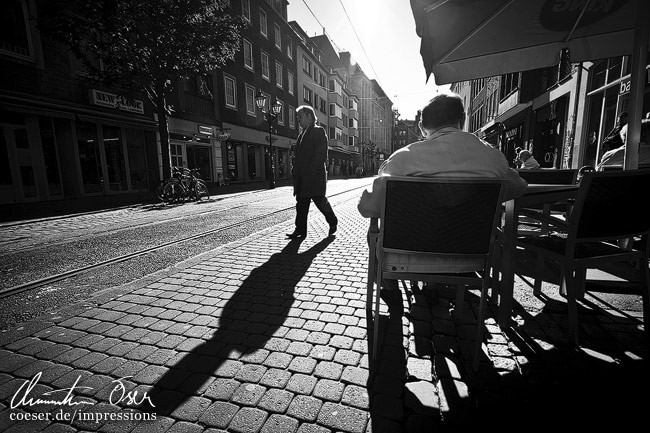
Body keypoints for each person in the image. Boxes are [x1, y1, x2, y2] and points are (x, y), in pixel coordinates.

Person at [358, 93, 527, 219]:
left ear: (421, 127)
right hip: (471, 257)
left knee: (374, 229)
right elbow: (519, 187)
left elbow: (370, 208)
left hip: (404, 259)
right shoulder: (493, 157)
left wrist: (364, 197)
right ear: (463, 119)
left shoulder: (401, 159)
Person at [286, 105, 338, 239]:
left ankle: (332, 221)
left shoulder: (318, 131)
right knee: (301, 206)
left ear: (309, 116)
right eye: (297, 117)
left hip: (314, 178)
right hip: (302, 178)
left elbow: (321, 154)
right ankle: (300, 230)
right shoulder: (301, 134)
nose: (298, 119)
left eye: (300, 116)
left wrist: (312, 170)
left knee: (321, 203)